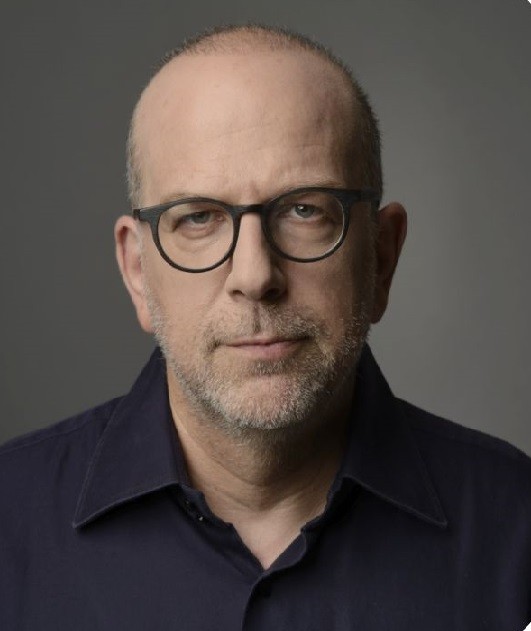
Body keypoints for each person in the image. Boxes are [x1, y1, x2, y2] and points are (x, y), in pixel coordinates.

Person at [1, 24, 530, 631]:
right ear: (138, 272)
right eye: (198, 217)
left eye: (305, 210)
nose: (254, 275)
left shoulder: (516, 529)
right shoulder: (9, 523)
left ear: (381, 257)